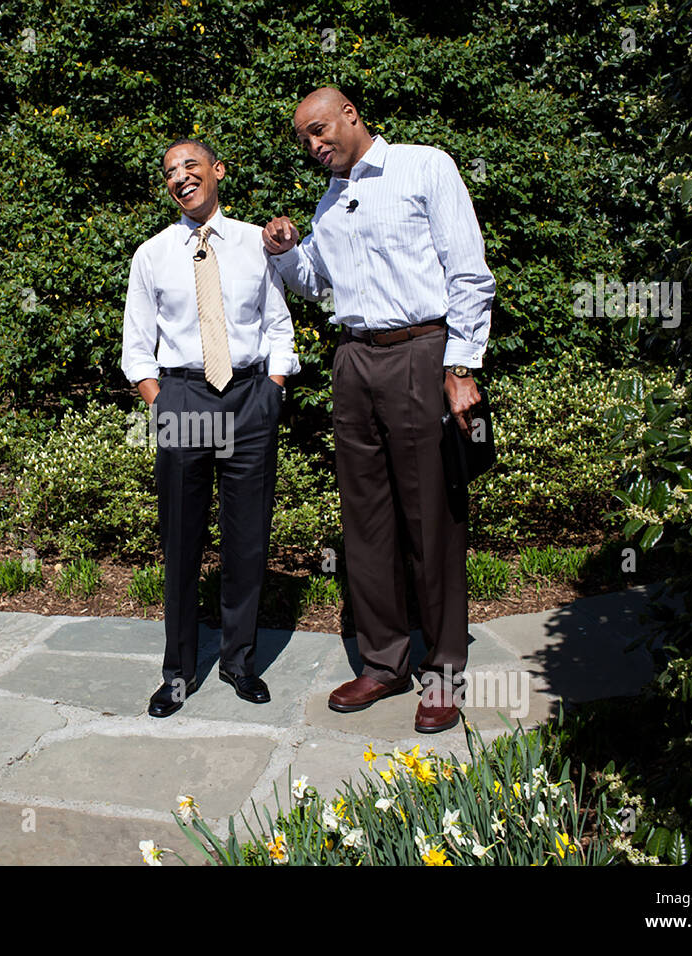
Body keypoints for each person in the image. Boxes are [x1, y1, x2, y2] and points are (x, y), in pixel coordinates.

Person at [262, 87, 495, 734]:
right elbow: (316, 282)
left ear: (350, 116)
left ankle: (443, 671)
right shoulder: (330, 202)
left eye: (319, 130)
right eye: (304, 140)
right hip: (354, 362)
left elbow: (469, 273)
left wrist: (461, 366)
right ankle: (385, 661)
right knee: (365, 521)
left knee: (433, 519)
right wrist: (285, 251)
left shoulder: (425, 167)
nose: (314, 146)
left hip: (422, 352)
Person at [122, 138, 300, 718]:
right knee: (181, 540)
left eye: (190, 166)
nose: (180, 177)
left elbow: (278, 323)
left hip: (250, 398)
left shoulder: (256, 242)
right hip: (184, 398)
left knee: (247, 538)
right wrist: (163, 401)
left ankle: (239, 661)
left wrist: (272, 389)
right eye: (170, 172)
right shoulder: (150, 254)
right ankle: (178, 672)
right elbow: (136, 349)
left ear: (217, 171)